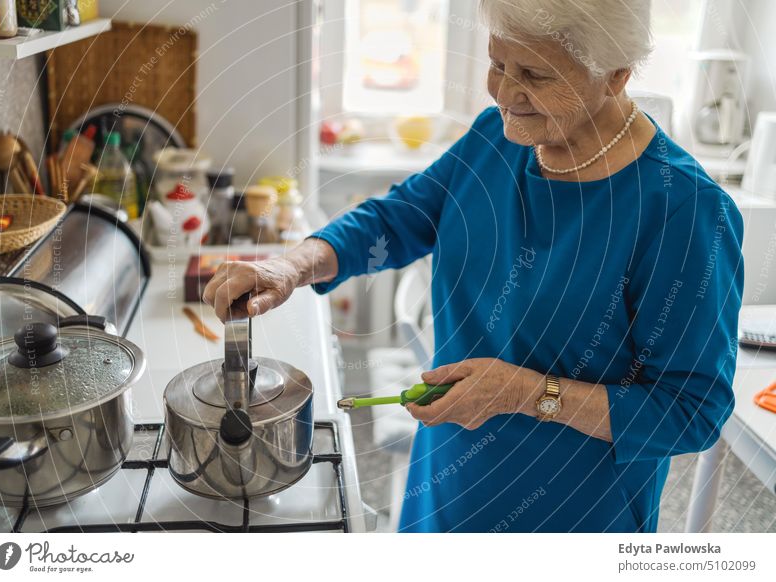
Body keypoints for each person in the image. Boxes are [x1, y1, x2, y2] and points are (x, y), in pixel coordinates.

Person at [203, 0, 744, 532]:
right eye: (497, 62)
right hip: (446, 476)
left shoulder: (685, 210)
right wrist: (292, 266)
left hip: (570, 515)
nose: (506, 92)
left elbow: (691, 411)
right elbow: (396, 219)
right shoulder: (495, 138)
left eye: (534, 73)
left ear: (616, 76)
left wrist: (528, 393)